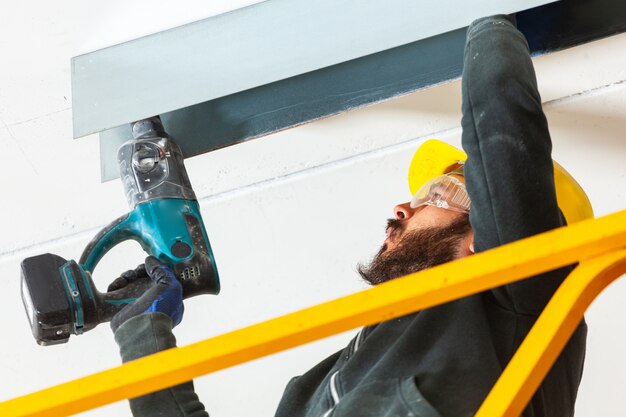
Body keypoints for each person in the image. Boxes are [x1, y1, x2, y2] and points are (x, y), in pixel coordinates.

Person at [109, 15, 587, 417]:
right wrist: (139, 333)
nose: (401, 208)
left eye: (439, 195)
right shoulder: (315, 388)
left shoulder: (531, 311)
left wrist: (491, 17)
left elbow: (502, 130)